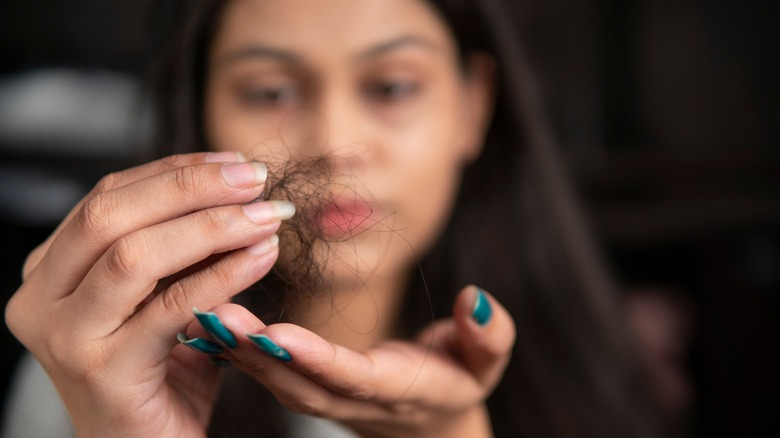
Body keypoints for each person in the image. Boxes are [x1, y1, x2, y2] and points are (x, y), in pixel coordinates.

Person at [4, 0, 661, 437]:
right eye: (271, 92)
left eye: (392, 87)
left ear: (473, 106)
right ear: (202, 109)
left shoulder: (595, 372)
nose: (333, 141)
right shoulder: (92, 375)